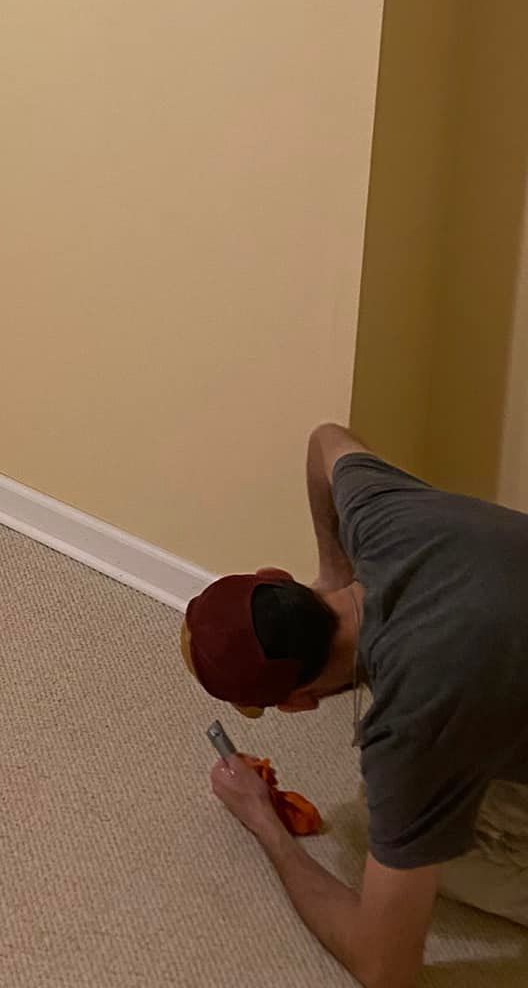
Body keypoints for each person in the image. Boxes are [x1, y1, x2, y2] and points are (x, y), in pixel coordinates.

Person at [180, 423, 528, 987]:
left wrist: (264, 822)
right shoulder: (385, 516)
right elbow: (324, 440)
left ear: (298, 704)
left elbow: (385, 967)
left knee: (383, 822)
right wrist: (336, 569)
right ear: (278, 577)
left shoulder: (408, 734)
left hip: (449, 706)